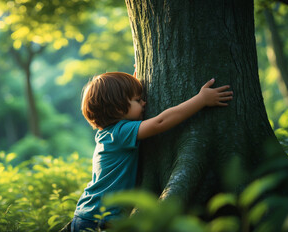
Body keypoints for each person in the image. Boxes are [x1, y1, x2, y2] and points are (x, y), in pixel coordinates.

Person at [70, 72, 233, 232]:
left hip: (87, 214)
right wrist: (201, 100)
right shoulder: (121, 132)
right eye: (137, 100)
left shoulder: (109, 134)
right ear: (118, 108)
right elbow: (160, 122)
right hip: (100, 219)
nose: (144, 103)